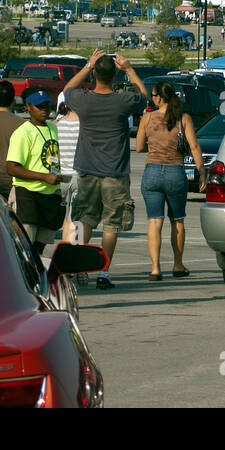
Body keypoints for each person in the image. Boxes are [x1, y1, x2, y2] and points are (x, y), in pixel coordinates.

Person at [62, 49, 147, 288]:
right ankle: (103, 272)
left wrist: (88, 66)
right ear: (114, 77)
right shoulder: (122, 102)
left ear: (95, 75)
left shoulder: (83, 100)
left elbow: (67, 89)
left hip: (87, 169)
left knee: (85, 219)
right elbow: (143, 95)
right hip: (115, 173)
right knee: (112, 223)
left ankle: (80, 266)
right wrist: (129, 68)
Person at [136, 81, 206, 280]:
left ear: (159, 97)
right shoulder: (183, 118)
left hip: (152, 172)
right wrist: (202, 171)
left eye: (153, 95)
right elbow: (194, 146)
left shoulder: (147, 118)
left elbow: (140, 147)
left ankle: (155, 268)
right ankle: (177, 264)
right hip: (176, 171)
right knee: (177, 220)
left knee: (154, 220)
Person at [5, 90, 66, 255]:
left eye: (46, 105)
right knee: (25, 246)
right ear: (28, 107)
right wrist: (44, 177)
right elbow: (12, 168)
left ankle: (36, 278)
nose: (44, 109)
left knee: (40, 247)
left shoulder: (53, 128)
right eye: (39, 106)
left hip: (50, 195)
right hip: (28, 194)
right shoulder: (22, 133)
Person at [55, 93, 82, 244]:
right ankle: (72, 251)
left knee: (65, 218)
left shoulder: (56, 125)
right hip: (79, 176)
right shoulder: (84, 125)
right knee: (76, 220)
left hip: (60, 177)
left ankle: (65, 250)